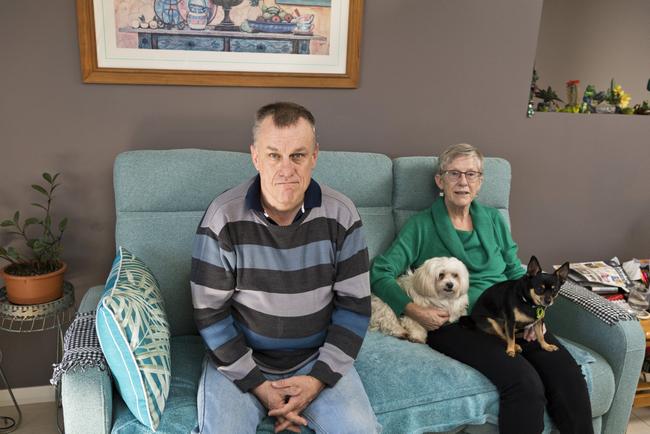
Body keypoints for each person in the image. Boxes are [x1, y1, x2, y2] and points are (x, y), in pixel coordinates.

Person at [370, 143, 593, 434]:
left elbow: (516, 272)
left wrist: (535, 313)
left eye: (471, 174)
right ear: (440, 181)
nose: (463, 182)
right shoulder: (421, 225)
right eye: (455, 174)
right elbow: (380, 272)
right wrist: (414, 310)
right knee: (525, 384)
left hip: (512, 313)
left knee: (567, 376)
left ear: (480, 182)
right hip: (457, 324)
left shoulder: (493, 220)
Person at [190, 102, 380, 434]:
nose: (286, 169)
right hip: (241, 362)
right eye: (274, 155)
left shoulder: (342, 215)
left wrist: (317, 380)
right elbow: (210, 313)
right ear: (255, 156)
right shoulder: (223, 217)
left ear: (315, 156)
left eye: (298, 155)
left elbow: (354, 307)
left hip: (317, 358)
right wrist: (261, 388)